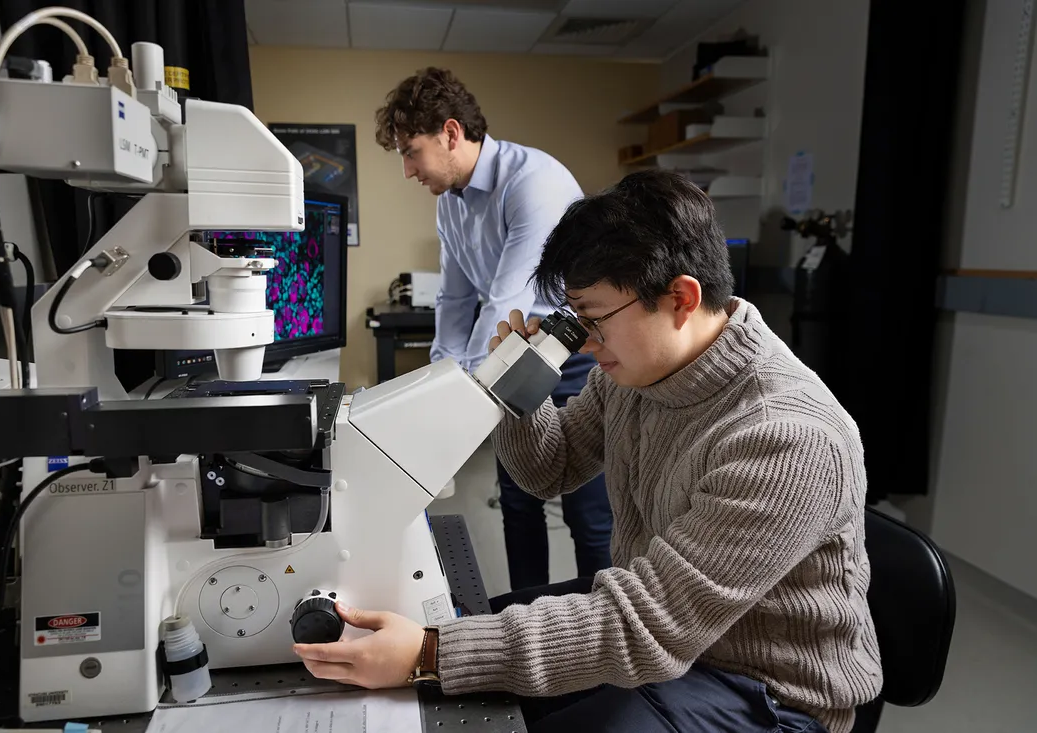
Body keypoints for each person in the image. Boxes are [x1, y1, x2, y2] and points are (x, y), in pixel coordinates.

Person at [293, 169, 883, 733]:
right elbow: (547, 472)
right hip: (669, 636)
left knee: (467, 670)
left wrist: (427, 654)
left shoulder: (786, 436)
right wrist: (513, 391)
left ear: (680, 297)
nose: (587, 341)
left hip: (766, 693)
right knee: (468, 637)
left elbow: (646, 627)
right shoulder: (636, 372)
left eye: (596, 320)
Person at [373, 67, 612, 589]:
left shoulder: (533, 183)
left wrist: (451, 405)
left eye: (411, 152)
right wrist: (434, 384)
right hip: (517, 351)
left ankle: (607, 637)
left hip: (570, 357)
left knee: (587, 518)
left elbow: (507, 300)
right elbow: (455, 300)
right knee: (518, 502)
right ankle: (524, 618)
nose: (408, 170)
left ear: (451, 133)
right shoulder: (450, 206)